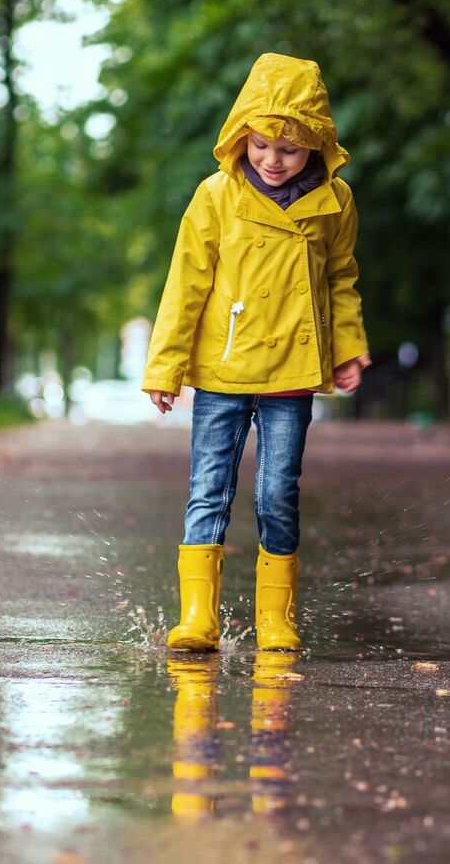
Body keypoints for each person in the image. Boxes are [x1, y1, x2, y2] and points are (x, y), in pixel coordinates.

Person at [142, 52, 371, 653]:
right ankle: (198, 616)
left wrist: (347, 349)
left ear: (316, 147)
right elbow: (186, 284)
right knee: (209, 486)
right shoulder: (216, 195)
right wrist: (165, 368)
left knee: (277, 490)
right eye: (263, 145)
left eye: (290, 150)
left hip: (292, 373)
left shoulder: (336, 202)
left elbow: (340, 279)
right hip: (224, 367)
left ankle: (276, 618)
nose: (273, 160)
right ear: (242, 135)